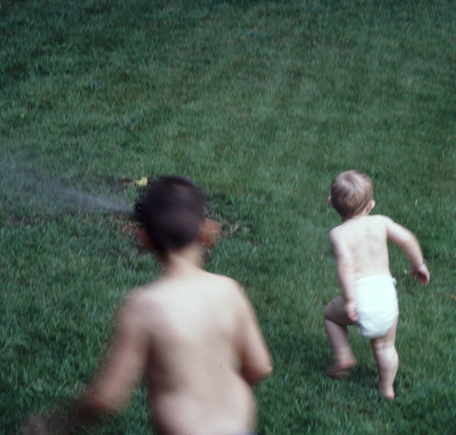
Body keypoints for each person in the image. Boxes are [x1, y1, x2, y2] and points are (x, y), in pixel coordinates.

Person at [22, 175, 273, 435]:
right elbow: (260, 366)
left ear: (142, 237)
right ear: (207, 230)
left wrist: (55, 423)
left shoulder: (144, 307)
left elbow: (105, 398)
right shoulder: (229, 290)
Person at [323, 170, 430, 399]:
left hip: (360, 296)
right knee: (385, 346)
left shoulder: (339, 233)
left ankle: (343, 355)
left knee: (330, 316)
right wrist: (418, 263)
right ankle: (386, 387)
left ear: (331, 203)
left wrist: (351, 299)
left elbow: (345, 265)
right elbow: (407, 238)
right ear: (370, 205)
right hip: (385, 295)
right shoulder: (381, 222)